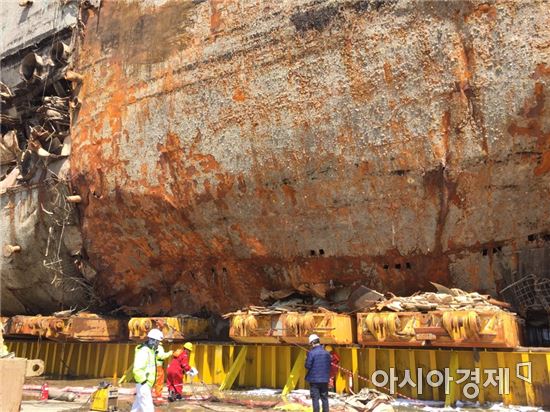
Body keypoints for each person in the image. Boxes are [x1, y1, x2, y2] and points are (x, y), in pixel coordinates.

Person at [131, 328, 164, 412]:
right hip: (143, 384)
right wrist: (144, 382)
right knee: (148, 408)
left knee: (137, 407)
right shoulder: (144, 351)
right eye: (157, 342)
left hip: (146, 384)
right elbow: (137, 369)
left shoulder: (151, 351)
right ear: (153, 341)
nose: (158, 345)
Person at [305, 334, 331, 412]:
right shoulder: (327, 353)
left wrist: (306, 360)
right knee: (324, 398)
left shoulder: (311, 353)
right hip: (324, 380)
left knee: (315, 399)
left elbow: (307, 366)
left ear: (312, 343)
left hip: (314, 381)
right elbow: (329, 366)